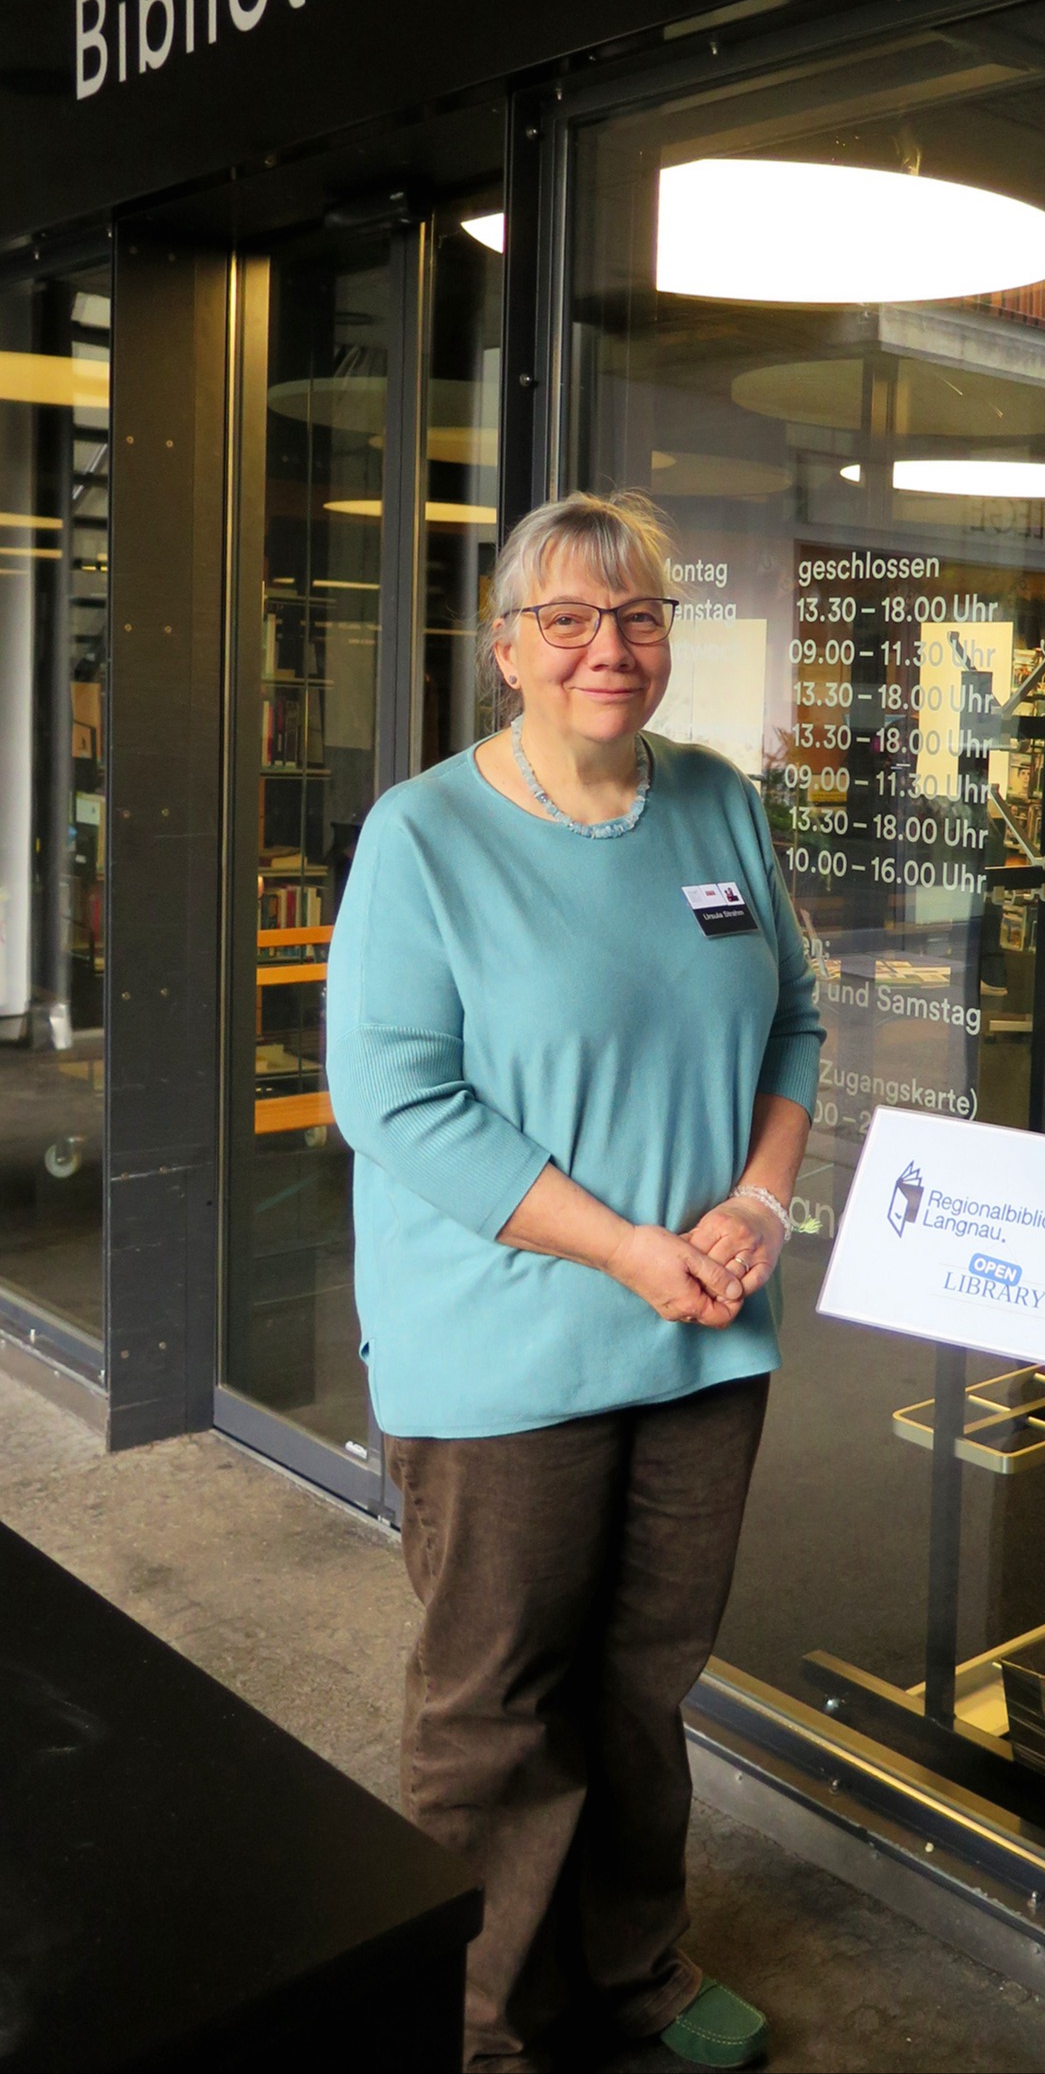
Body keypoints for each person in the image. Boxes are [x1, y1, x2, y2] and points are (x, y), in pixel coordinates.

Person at [326, 490, 823, 2074]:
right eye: (569, 618)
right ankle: (478, 2028)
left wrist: (756, 1196)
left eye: (640, 616)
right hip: (505, 1351)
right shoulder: (427, 834)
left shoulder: (719, 805)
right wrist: (623, 1245)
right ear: (506, 647)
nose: (610, 648)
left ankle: (633, 1970)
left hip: (699, 1345)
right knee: (495, 1704)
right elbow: (393, 1097)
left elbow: (795, 1017)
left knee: (640, 1682)